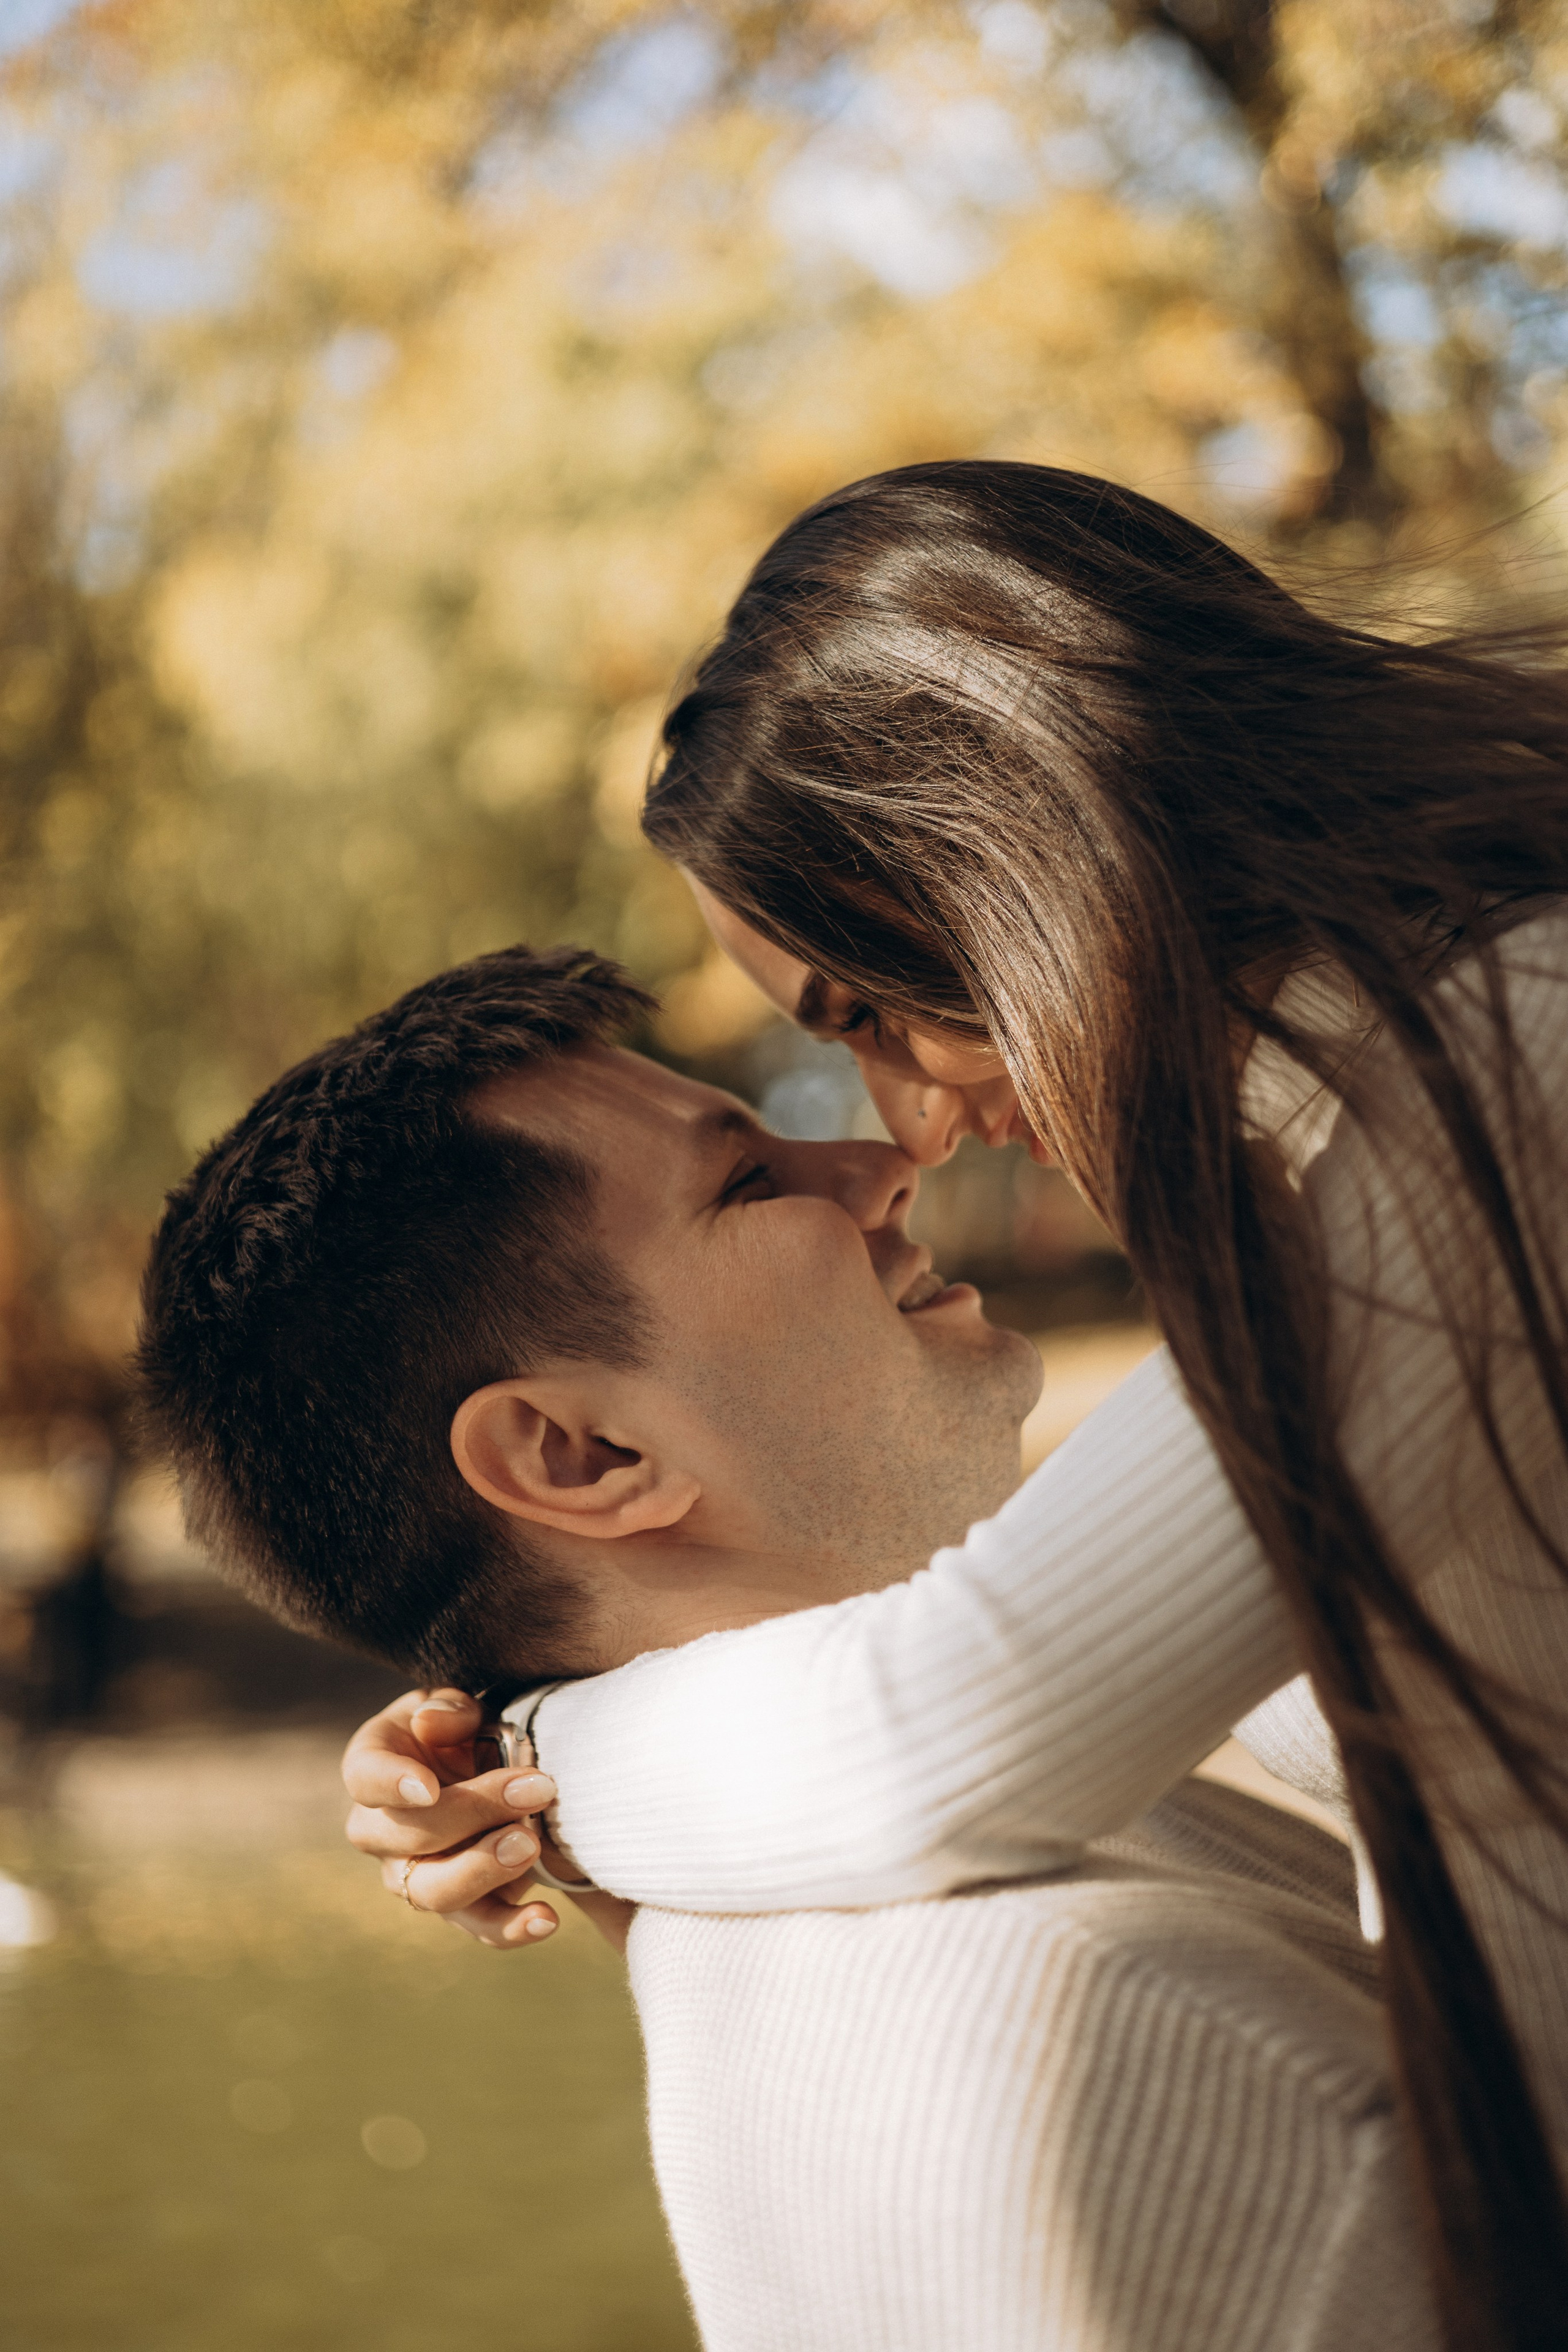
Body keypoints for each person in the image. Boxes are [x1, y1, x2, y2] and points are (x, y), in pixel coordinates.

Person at [344, 464, 1568, 2352]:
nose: (911, 1128)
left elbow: (968, 1717)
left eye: (866, 1008)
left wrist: (546, 1749)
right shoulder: (1408, 1118)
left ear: (1010, 841)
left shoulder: (1496, 1078)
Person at [137, 946, 1437, 2351]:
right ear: (583, 1453)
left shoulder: (785, 1933)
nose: (885, 1163)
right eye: (748, 1182)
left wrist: (550, 1758)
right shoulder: (1120, 2034)